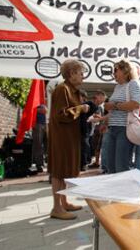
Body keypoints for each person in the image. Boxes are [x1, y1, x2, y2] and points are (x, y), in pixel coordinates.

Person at [48, 59, 90, 220]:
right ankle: (56, 208)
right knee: (59, 172)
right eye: (80, 73)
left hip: (69, 137)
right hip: (62, 138)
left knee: (65, 171)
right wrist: (81, 108)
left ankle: (64, 202)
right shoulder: (62, 89)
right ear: (71, 74)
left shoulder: (71, 90)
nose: (83, 77)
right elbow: (61, 115)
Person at [101, 60, 140, 173]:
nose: (113, 73)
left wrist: (113, 105)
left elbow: (135, 104)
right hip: (112, 128)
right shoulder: (117, 87)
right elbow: (116, 107)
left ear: (125, 70)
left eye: (116, 70)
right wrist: (106, 120)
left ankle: (125, 190)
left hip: (125, 129)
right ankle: (115, 190)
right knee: (110, 166)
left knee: (121, 167)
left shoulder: (133, 84)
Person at [88, 90, 107, 168]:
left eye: (97, 97)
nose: (96, 99)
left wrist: (95, 117)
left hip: (100, 128)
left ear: (101, 96)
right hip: (101, 128)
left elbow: (99, 116)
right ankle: (98, 162)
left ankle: (98, 162)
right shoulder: (103, 105)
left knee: (99, 146)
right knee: (98, 146)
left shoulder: (101, 106)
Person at [31, 104, 47, 172]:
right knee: (38, 145)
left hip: (45, 124)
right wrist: (39, 109)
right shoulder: (35, 99)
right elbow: (32, 109)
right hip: (38, 124)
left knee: (48, 144)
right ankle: (39, 164)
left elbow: (45, 110)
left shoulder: (42, 98)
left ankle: (44, 161)